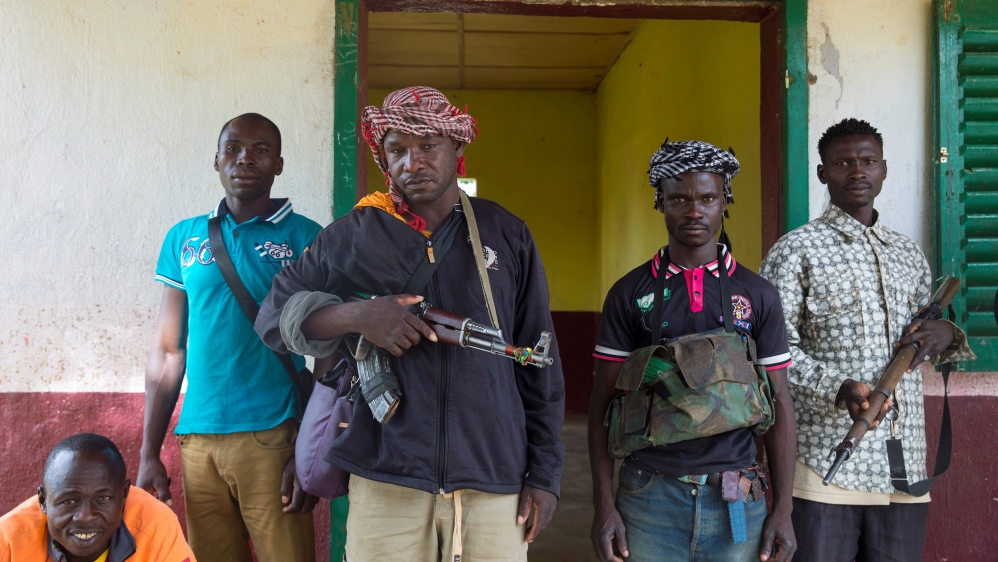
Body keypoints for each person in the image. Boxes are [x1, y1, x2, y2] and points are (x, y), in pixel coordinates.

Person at [254, 86, 565, 562]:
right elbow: (273, 318)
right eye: (397, 150)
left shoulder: (506, 232)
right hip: (386, 479)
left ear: (457, 150)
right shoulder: (356, 233)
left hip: (493, 477)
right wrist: (358, 316)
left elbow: (539, 361)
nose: (412, 163)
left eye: (428, 148)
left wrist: (544, 475)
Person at [759, 118, 975, 562]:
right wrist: (837, 387)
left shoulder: (907, 252)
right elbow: (771, 354)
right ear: (823, 173)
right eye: (842, 163)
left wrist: (945, 332)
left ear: (884, 170)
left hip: (903, 467)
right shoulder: (795, 250)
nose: (857, 172)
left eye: (867, 161)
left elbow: (929, 331)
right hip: (824, 464)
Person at [588, 139, 797, 562]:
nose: (694, 210)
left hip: (736, 495)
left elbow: (781, 403)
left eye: (707, 198)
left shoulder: (757, 294)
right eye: (679, 198)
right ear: (660, 202)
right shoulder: (629, 293)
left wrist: (784, 511)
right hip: (648, 495)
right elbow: (602, 404)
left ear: (725, 202)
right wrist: (604, 506)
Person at [136, 113, 323, 561]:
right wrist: (149, 452)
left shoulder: (307, 238)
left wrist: (310, 446)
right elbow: (167, 351)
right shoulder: (185, 238)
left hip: (275, 437)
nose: (245, 159)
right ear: (216, 161)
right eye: (234, 149)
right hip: (198, 440)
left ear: (279, 164)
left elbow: (336, 352)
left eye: (261, 150)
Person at [0, 433, 195, 562]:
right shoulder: (8, 540)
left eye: (103, 499)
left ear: (124, 495)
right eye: (69, 501)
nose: (85, 517)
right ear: (43, 501)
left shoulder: (156, 525)